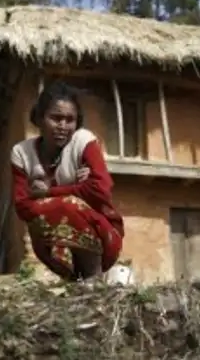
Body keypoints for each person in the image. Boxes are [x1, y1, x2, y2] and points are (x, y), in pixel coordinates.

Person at [10, 81, 125, 282]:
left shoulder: (83, 142)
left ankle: (92, 278)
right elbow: (22, 206)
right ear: (39, 118)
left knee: (68, 206)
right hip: (48, 244)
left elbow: (101, 191)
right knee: (61, 207)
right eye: (55, 118)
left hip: (104, 236)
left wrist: (46, 193)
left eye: (70, 120)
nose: (63, 126)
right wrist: (79, 188)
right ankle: (74, 280)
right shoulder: (22, 153)